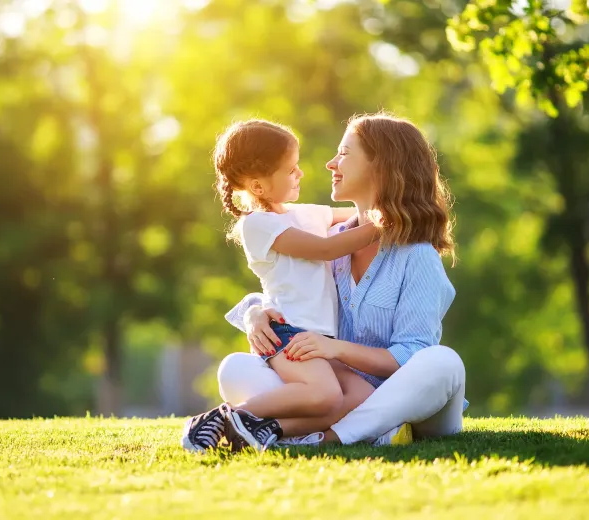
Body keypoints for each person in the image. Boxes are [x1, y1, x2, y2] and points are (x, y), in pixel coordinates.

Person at [215, 113, 468, 449]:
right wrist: (256, 312)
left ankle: (321, 437)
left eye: (345, 154)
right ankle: (354, 432)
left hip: (409, 401)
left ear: (383, 166)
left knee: (443, 363)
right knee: (235, 368)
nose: (330, 163)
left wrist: (335, 348)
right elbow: (291, 286)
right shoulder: (329, 240)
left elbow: (411, 356)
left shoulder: (416, 255)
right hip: (336, 393)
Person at [182, 119, 381, 453]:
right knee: (326, 395)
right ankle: (228, 418)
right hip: (288, 330)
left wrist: (381, 206)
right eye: (290, 170)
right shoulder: (258, 225)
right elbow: (326, 249)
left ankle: (266, 431)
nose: (300, 174)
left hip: (320, 338)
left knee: (360, 398)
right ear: (258, 187)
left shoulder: (305, 213)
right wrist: (384, 224)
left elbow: (351, 218)